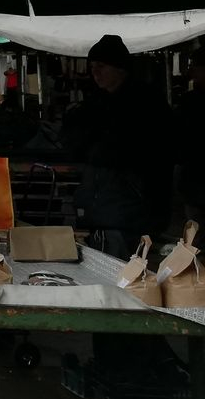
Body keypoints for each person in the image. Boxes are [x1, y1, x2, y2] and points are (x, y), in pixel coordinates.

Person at [64, 34, 171, 253]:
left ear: (120, 68)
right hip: (100, 209)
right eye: (92, 66)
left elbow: (153, 155)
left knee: (123, 276)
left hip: (130, 212)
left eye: (101, 66)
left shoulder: (146, 103)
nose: (95, 72)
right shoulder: (96, 103)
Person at [175, 48, 205, 227]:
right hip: (194, 179)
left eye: (196, 67)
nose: (192, 72)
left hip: (194, 178)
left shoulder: (190, 102)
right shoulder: (190, 101)